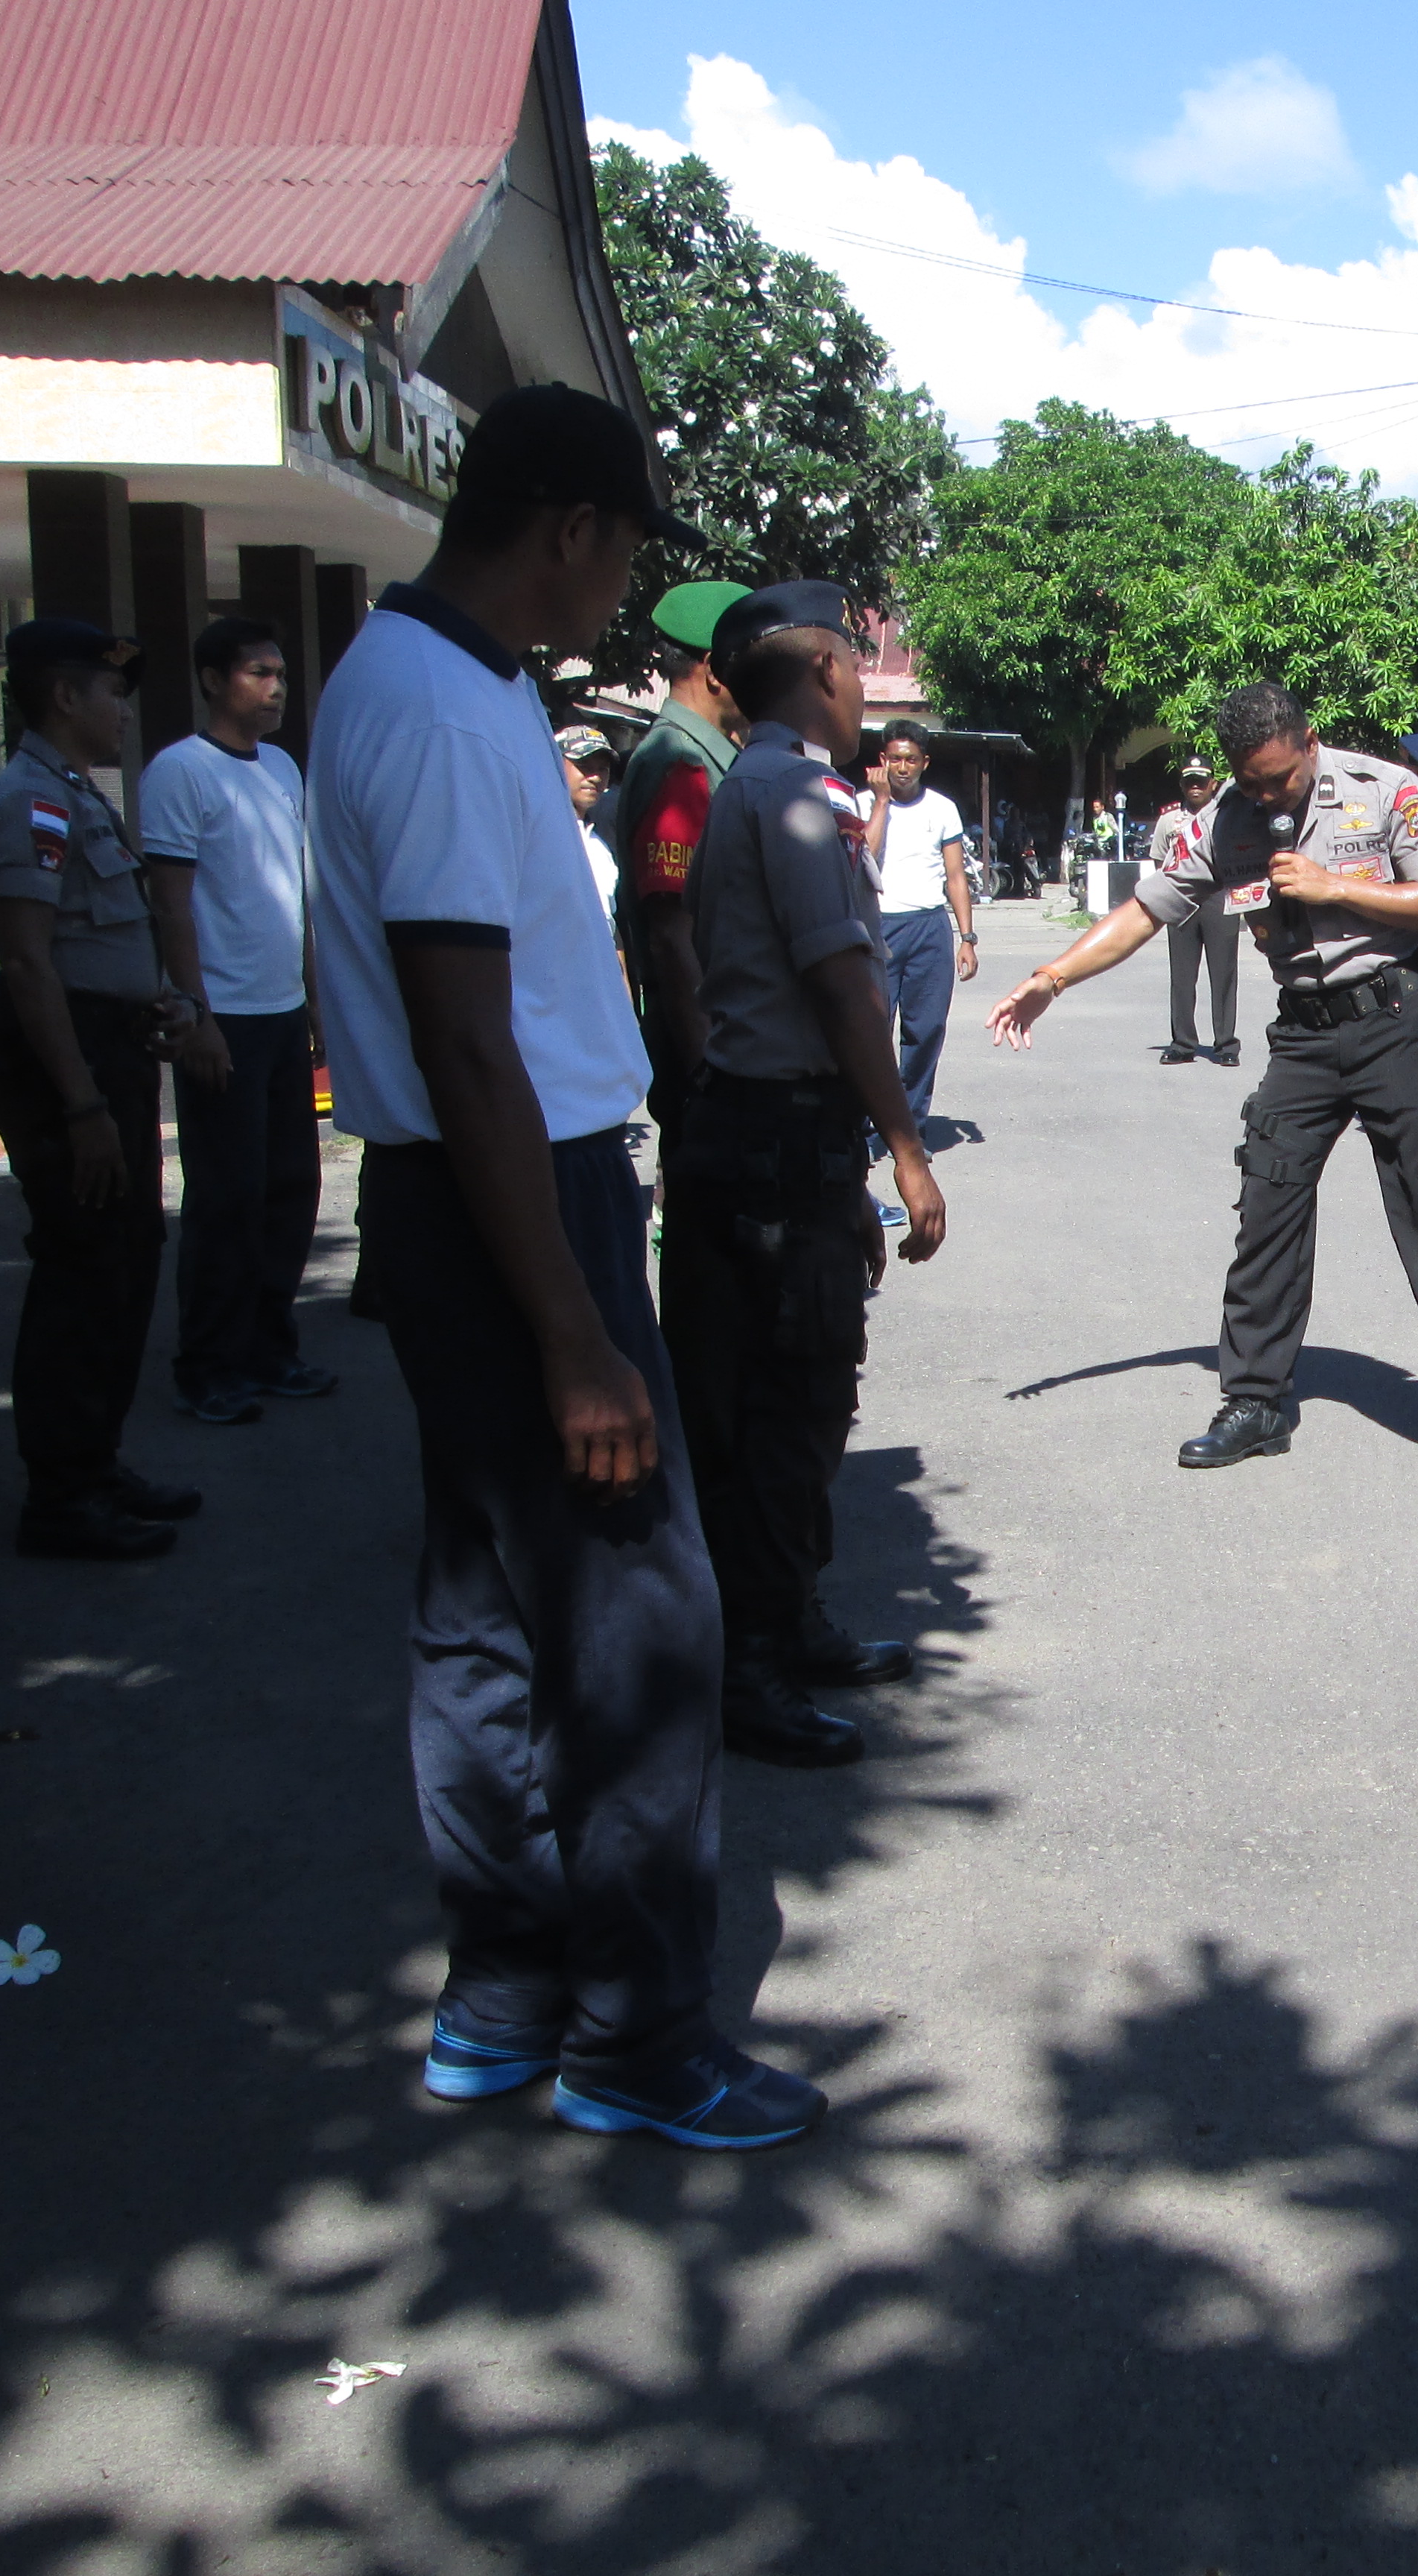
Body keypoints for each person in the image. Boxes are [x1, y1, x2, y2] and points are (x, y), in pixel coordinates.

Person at [311, 381, 819, 2151]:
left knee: (483, 1604)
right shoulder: (448, 706)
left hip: (465, 1197)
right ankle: (635, 2035)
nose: (620, 598)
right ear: (573, 531)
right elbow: (467, 1042)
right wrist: (577, 1330)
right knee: (638, 1622)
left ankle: (507, 1991)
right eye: (621, 557)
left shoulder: (411, 677)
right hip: (518, 1199)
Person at [987, 680, 1418, 1480]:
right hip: (1305, 1035)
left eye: (1279, 777)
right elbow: (1144, 911)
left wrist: (1337, 885)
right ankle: (1256, 1401)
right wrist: (1052, 978)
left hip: (1393, 1020)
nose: (1267, 795)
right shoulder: (1222, 819)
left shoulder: (1385, 791)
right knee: (1266, 1206)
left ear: (1309, 743)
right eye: (1252, 781)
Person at [662, 582, 949, 1770]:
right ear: (825, 669)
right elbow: (841, 987)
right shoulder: (797, 796)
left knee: (797, 1397)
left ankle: (791, 1623)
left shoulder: (766, 783)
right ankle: (755, 1665)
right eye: (850, 664)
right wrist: (906, 1147)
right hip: (778, 1140)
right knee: (785, 1408)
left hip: (773, 1135)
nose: (860, 687)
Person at [0, 618, 202, 1562]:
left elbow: (96, 943)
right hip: (64, 1063)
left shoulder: (76, 797)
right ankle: (62, 1495)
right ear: (64, 697)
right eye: (110, 694)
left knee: (125, 1259)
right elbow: (29, 966)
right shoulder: (30, 802)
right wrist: (81, 1106)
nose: (122, 712)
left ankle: (96, 1464)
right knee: (82, 1268)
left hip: (108, 1047)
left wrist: (153, 1007)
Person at [141, 616, 332, 1431]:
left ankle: (267, 1345)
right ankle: (207, 1364)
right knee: (227, 1198)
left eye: (281, 672)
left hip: (284, 1011)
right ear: (215, 681)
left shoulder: (283, 768)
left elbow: (295, 892)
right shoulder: (179, 773)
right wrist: (198, 1015)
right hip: (225, 1021)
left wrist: (317, 997)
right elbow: (171, 905)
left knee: (292, 1188)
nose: (277, 686)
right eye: (259, 672)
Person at [616, 579, 749, 1132]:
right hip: (710, 1058)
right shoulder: (682, 763)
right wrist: (707, 1076)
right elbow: (673, 937)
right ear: (716, 669)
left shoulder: (709, 757)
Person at [858, 722, 976, 1128]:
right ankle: (867, 1124)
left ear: (925, 763)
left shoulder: (942, 808)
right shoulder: (860, 804)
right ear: (882, 761)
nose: (903, 767)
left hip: (929, 928)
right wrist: (881, 803)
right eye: (895, 759)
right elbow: (865, 859)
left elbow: (956, 876)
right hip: (877, 928)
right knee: (872, 1032)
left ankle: (910, 1126)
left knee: (925, 1030)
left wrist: (967, 937)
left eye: (911, 759)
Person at [1153, 756, 1236, 1065]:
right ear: (1182, 785)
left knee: (1224, 973)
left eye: (1202, 780)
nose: (1196, 786)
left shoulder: (1228, 818)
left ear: (1213, 783)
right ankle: (1183, 1043)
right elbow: (1159, 862)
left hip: (1218, 896)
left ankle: (1226, 1045)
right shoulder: (1169, 821)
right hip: (1181, 900)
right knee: (1183, 976)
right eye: (1190, 781)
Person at [557, 724, 622, 923]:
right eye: (584, 766)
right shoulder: (538, 835)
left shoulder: (600, 848)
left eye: (603, 769)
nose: (596, 777)